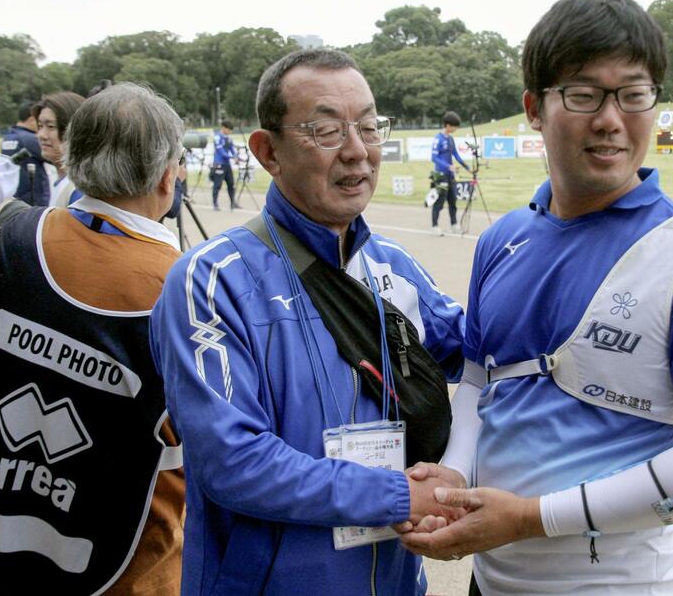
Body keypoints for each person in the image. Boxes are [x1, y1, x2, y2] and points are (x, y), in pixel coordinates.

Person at [401, 0, 673, 596]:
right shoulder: (501, 240)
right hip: (490, 582)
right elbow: (476, 380)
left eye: (633, 93)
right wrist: (455, 475)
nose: (610, 118)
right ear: (534, 108)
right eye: (583, 93)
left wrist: (526, 519)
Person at [150, 48, 465, 595]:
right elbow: (234, 460)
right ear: (267, 151)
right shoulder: (210, 280)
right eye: (325, 130)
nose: (357, 152)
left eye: (369, 127)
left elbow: (486, 354)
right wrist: (397, 495)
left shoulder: (395, 266)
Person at [0, 82, 186, 594]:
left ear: (71, 161)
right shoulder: (185, 290)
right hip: (125, 571)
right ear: (168, 177)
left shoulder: (7, 237)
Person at [31, 91, 88, 207]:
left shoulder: (80, 191)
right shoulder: (64, 182)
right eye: (40, 126)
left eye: (51, 126)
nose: (41, 135)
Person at [429, 111, 471, 236]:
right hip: (440, 176)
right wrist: (448, 166)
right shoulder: (438, 139)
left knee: (453, 200)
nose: (456, 129)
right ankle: (434, 226)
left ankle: (454, 224)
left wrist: (467, 167)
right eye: (454, 126)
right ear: (448, 125)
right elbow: (434, 157)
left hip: (451, 176)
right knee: (439, 202)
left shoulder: (451, 139)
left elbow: (456, 155)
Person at [0, 100, 49, 206]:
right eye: (39, 122)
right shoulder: (29, 139)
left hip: (14, 196)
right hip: (32, 198)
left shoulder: (8, 137)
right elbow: (57, 159)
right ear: (32, 119)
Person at [210, 119, 240, 211]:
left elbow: (232, 149)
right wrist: (232, 157)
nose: (230, 132)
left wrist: (235, 156)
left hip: (227, 165)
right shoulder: (217, 137)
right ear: (223, 128)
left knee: (231, 184)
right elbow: (221, 151)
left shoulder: (229, 138)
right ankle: (215, 204)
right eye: (229, 129)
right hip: (219, 164)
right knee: (217, 185)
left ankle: (232, 203)